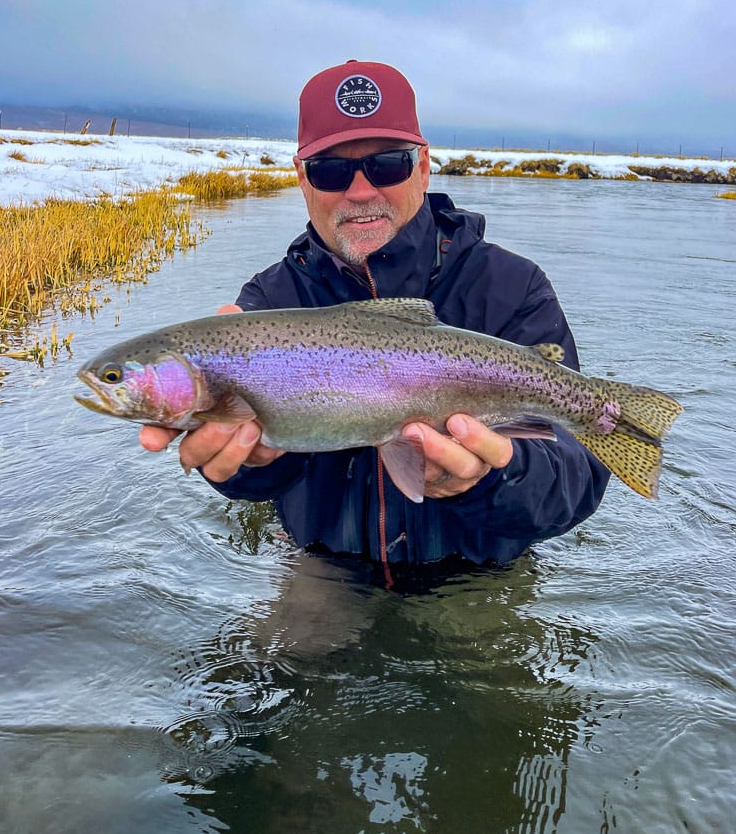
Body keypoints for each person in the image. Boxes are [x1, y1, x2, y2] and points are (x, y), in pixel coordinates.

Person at [140, 60, 609, 568]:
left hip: (478, 577)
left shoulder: (512, 287)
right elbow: (251, 471)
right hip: (327, 569)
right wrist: (249, 465)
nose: (360, 192)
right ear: (301, 178)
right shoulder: (268, 305)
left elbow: (578, 472)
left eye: (388, 164)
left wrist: (492, 476)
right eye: (331, 171)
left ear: (424, 166)